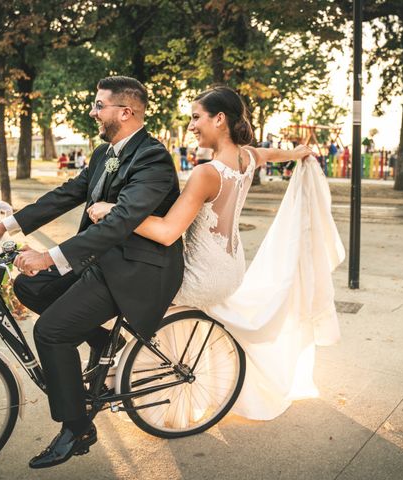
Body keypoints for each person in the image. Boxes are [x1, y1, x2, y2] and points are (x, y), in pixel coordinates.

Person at [90, 86, 344, 422]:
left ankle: (114, 376)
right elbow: (271, 155)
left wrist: (114, 210)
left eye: (196, 117)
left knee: (110, 295)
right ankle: (131, 369)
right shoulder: (246, 157)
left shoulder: (206, 174)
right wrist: (297, 153)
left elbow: (168, 231)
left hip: (202, 276)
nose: (191, 126)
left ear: (220, 119)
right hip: (232, 269)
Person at [0, 76, 184, 470]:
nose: (92, 111)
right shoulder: (103, 152)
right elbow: (66, 194)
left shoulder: (153, 158)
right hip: (100, 258)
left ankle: (77, 429)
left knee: (51, 332)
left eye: (98, 105)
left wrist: (50, 256)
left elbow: (122, 220)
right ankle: (104, 338)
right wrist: (6, 226)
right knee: (30, 288)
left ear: (125, 112)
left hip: (135, 268)